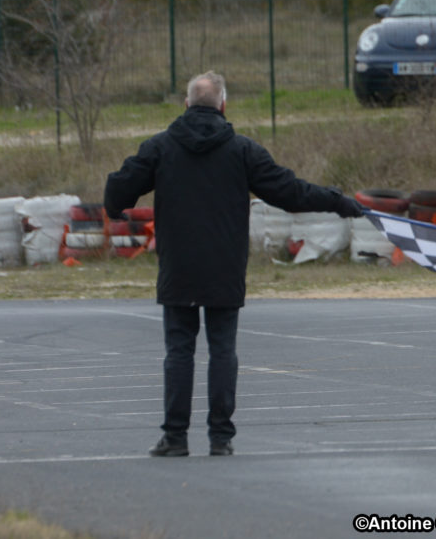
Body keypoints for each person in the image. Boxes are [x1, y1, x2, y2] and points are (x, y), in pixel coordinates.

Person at [104, 71, 364, 458]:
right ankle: (220, 438)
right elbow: (289, 192)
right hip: (225, 265)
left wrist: (117, 202)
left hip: (179, 266)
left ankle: (175, 438)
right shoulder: (243, 151)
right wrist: (337, 200)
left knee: (179, 350)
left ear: (186, 105)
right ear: (223, 105)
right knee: (223, 349)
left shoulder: (159, 148)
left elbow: (117, 192)